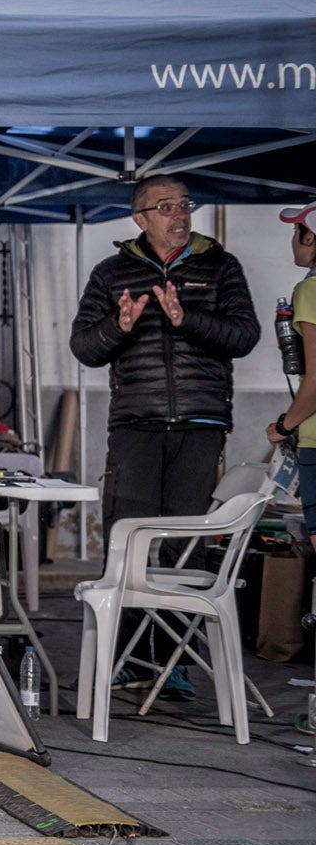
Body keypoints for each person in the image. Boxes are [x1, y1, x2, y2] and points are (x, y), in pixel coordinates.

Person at [70, 175, 260, 695]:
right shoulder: (111, 273)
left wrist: (187, 318)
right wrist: (121, 327)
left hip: (201, 424)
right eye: (166, 207)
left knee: (184, 547)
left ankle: (173, 661)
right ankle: (129, 659)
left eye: (184, 205)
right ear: (141, 218)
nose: (180, 214)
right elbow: (85, 346)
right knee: (126, 541)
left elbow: (245, 335)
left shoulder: (221, 266)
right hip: (135, 423)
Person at [265, 202, 316, 576]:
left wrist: (283, 426)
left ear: (311, 237)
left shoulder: (310, 291)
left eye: (295, 231)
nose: (292, 241)